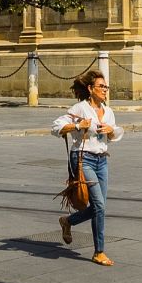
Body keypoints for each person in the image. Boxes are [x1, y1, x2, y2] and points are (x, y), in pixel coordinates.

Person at [53, 69, 123, 266]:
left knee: (99, 207)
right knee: (99, 206)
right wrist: (78, 126)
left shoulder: (108, 111)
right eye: (101, 87)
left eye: (106, 87)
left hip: (102, 160)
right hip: (83, 159)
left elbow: (115, 134)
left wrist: (110, 131)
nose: (105, 90)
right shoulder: (80, 109)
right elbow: (56, 127)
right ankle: (99, 251)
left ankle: (68, 222)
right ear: (91, 89)